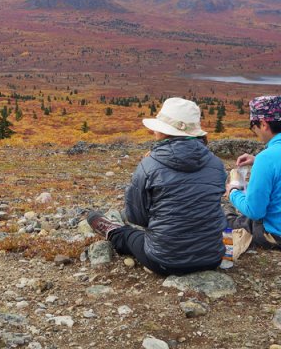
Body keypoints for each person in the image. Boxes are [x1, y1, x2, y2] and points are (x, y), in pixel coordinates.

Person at [87, 97, 227, 275]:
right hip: (213, 257)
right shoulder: (216, 163)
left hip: (165, 261)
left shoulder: (149, 165)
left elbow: (137, 218)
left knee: (130, 235)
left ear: (165, 132)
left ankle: (113, 231)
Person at [225, 95, 281, 249]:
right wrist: (257, 160)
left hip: (275, 234)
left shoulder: (267, 158)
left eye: (253, 127)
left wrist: (233, 192)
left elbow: (255, 212)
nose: (254, 132)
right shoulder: (267, 159)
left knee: (231, 219)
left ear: (263, 124)